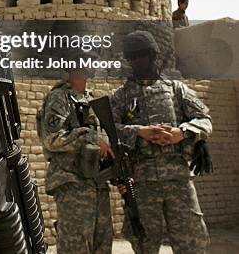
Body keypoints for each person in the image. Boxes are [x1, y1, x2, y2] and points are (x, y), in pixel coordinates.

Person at [110, 30, 212, 254]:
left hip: (179, 181)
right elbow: (108, 132)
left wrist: (182, 132)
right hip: (142, 183)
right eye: (132, 57)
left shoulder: (176, 90)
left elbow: (204, 119)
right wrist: (140, 132)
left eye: (141, 55)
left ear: (152, 55)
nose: (136, 61)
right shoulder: (121, 96)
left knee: (192, 242)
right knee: (144, 244)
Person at [38, 69, 114, 254]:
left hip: (97, 183)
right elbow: (52, 139)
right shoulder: (60, 97)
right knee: (76, 244)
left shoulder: (92, 99)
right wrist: (90, 137)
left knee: (102, 243)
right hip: (72, 182)